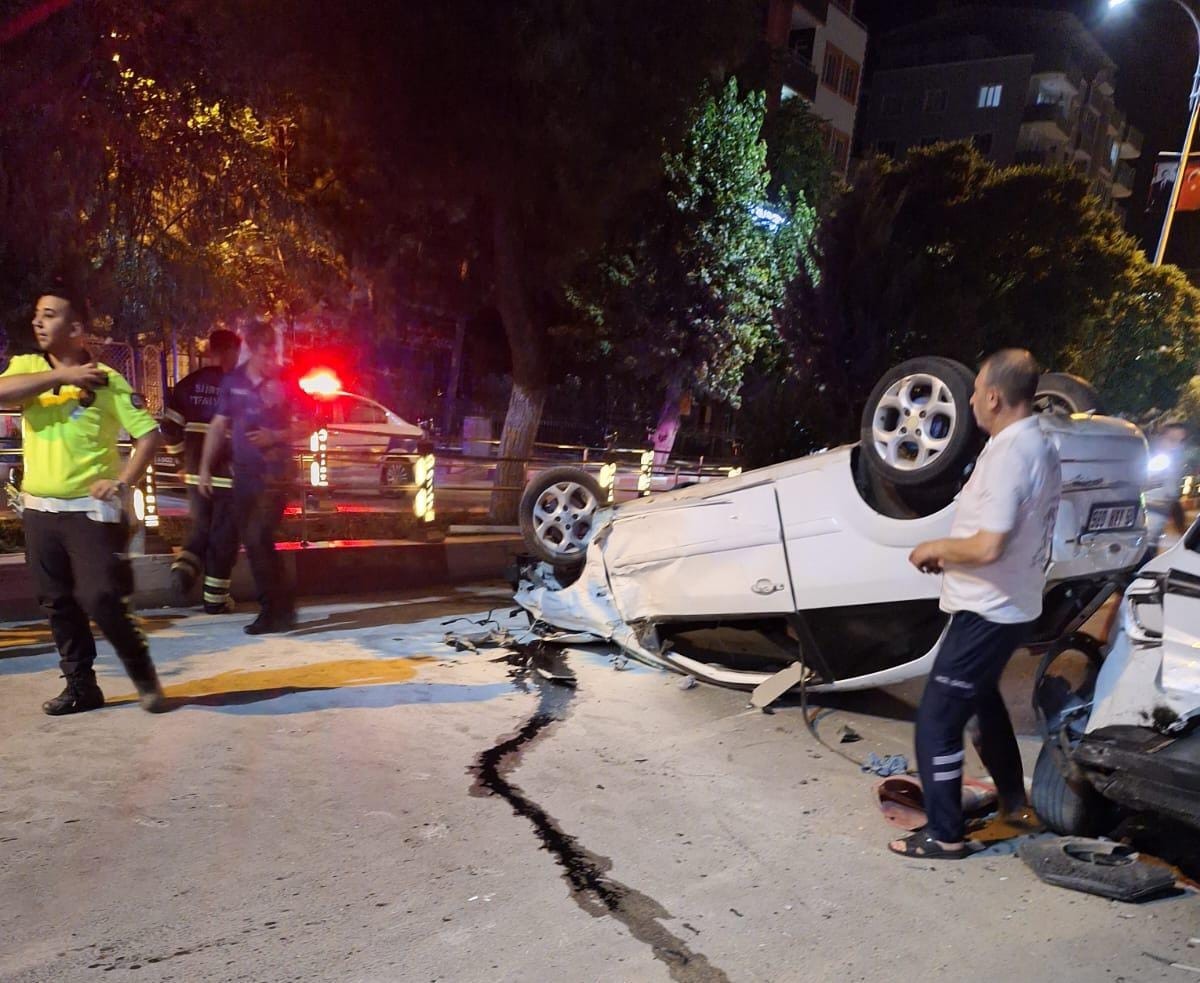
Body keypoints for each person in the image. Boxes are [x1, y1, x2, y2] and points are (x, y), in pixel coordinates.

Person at [889, 349, 1061, 859]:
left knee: (938, 721)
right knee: (983, 705)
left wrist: (936, 549)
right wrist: (953, 558)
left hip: (989, 611)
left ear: (994, 397)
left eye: (976, 390)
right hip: (1005, 603)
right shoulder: (1034, 443)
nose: (969, 400)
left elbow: (989, 546)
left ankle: (944, 835)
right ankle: (1014, 804)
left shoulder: (1011, 454)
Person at [0, 286, 166, 714]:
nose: (37, 321)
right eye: (37, 313)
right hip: (40, 510)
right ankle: (81, 686)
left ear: (74, 328)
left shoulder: (106, 380)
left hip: (90, 513)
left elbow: (149, 435)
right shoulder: (28, 367)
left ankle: (143, 673)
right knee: (56, 602)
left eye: (49, 314)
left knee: (100, 597)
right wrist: (62, 378)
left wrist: (123, 481)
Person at [198, 320, 296, 634]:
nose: (271, 359)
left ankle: (272, 611)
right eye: (266, 353)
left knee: (257, 536)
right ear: (251, 350)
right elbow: (218, 425)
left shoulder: (286, 380)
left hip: (275, 475)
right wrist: (204, 468)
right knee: (257, 543)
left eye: (274, 352)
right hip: (243, 474)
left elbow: (311, 424)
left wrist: (274, 436)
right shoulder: (234, 381)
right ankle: (282, 607)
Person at [162, 328, 242, 611]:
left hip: (196, 473)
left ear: (210, 351)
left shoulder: (187, 385)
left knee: (202, 527)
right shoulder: (239, 387)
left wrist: (181, 461)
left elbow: (169, 428)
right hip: (229, 475)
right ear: (231, 350)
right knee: (224, 536)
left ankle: (183, 571)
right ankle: (216, 600)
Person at [1143, 422, 1190, 554]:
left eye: (1181, 442)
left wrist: (1184, 535)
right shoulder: (1150, 463)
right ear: (1160, 439)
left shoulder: (1172, 469)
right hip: (1135, 540)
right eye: (1172, 440)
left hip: (1152, 541)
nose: (1176, 446)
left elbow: (1173, 501)